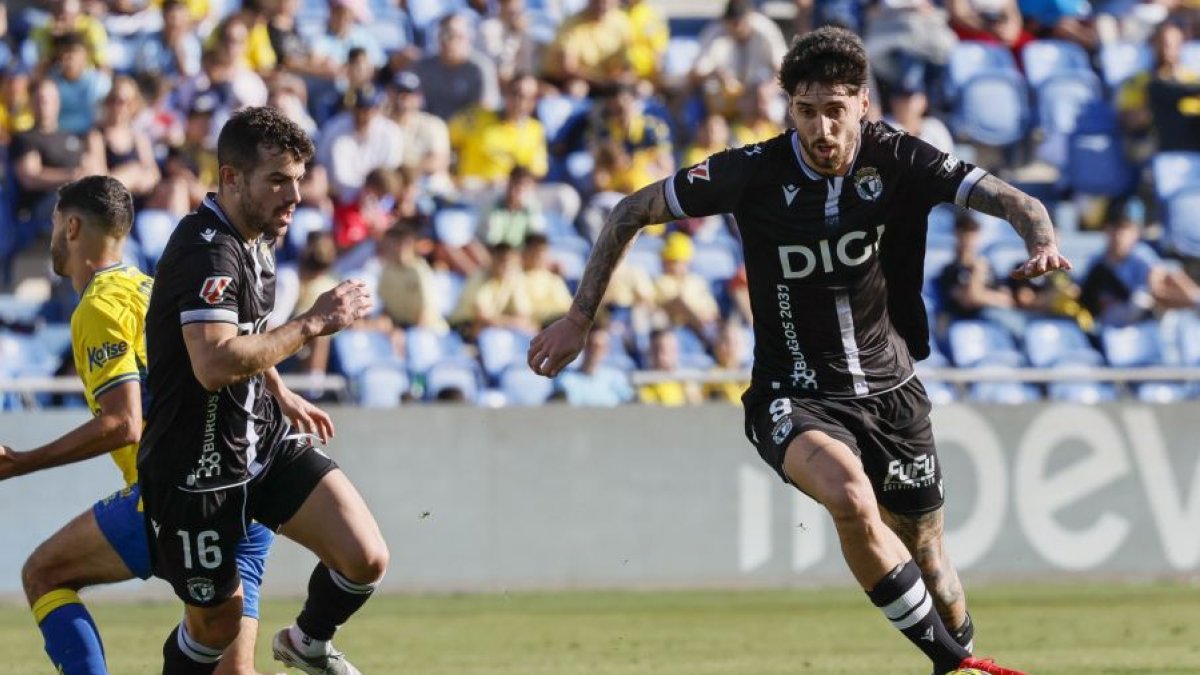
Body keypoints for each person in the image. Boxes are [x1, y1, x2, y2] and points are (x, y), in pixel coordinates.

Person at [528, 27, 1063, 675]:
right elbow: (629, 211)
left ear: (862, 104)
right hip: (794, 395)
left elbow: (1016, 199)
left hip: (893, 393)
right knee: (852, 499)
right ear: (790, 110)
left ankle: (957, 660)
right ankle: (958, 665)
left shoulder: (902, 159)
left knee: (932, 561)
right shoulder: (751, 172)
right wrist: (581, 318)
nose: (822, 128)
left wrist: (1040, 241)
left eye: (835, 110)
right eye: (806, 111)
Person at [137, 106, 388, 674]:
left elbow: (246, 333)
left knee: (365, 556)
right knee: (217, 631)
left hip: (261, 441)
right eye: (278, 180)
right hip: (195, 471)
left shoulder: (258, 236)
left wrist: (278, 390)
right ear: (231, 177)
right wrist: (312, 324)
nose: (294, 195)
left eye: (298, 179)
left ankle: (307, 642)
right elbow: (213, 362)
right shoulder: (209, 250)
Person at [0, 176, 275, 675]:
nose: (53, 236)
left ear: (74, 226)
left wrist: (22, 461)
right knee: (230, 669)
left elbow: (124, 423)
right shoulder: (153, 286)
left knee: (44, 573)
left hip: (175, 496)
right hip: (246, 487)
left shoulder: (98, 307)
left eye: (56, 224)